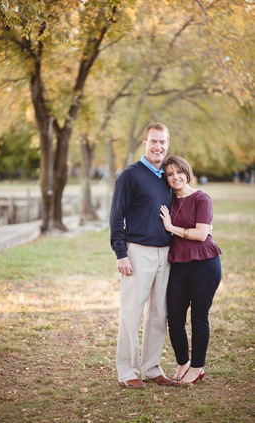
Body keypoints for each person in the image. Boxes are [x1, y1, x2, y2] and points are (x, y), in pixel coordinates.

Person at [110, 122, 178, 389]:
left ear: (167, 144)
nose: (158, 146)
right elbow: (116, 216)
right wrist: (120, 253)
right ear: (144, 143)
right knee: (131, 312)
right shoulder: (130, 175)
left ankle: (151, 368)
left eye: (162, 142)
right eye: (153, 141)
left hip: (166, 253)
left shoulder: (168, 176)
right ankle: (127, 370)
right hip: (137, 252)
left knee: (159, 313)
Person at [160, 155, 222, 384]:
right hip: (179, 264)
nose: (175, 177)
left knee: (198, 316)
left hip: (204, 263)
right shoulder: (167, 199)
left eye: (179, 172)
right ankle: (183, 362)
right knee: (174, 318)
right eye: (169, 174)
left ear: (187, 172)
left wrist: (171, 227)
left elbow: (201, 234)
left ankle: (197, 367)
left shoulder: (201, 198)